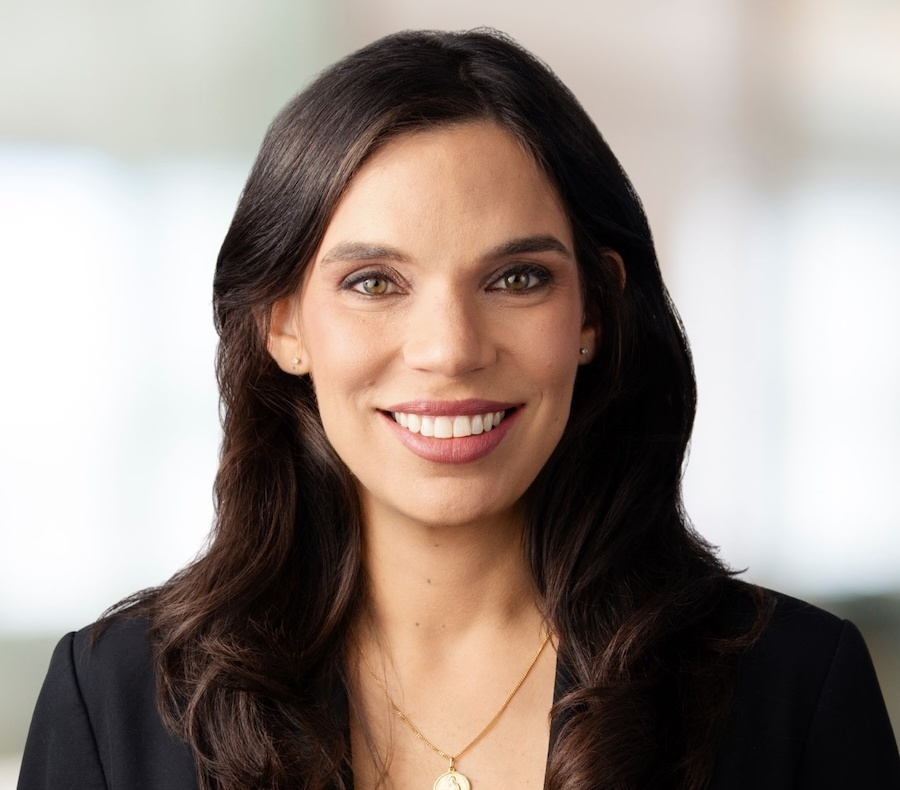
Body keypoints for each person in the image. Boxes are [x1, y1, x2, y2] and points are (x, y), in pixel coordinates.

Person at [18, 28, 900, 790]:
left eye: (517, 278)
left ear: (593, 311)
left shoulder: (793, 691)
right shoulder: (116, 704)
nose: (449, 348)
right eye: (374, 282)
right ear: (283, 323)